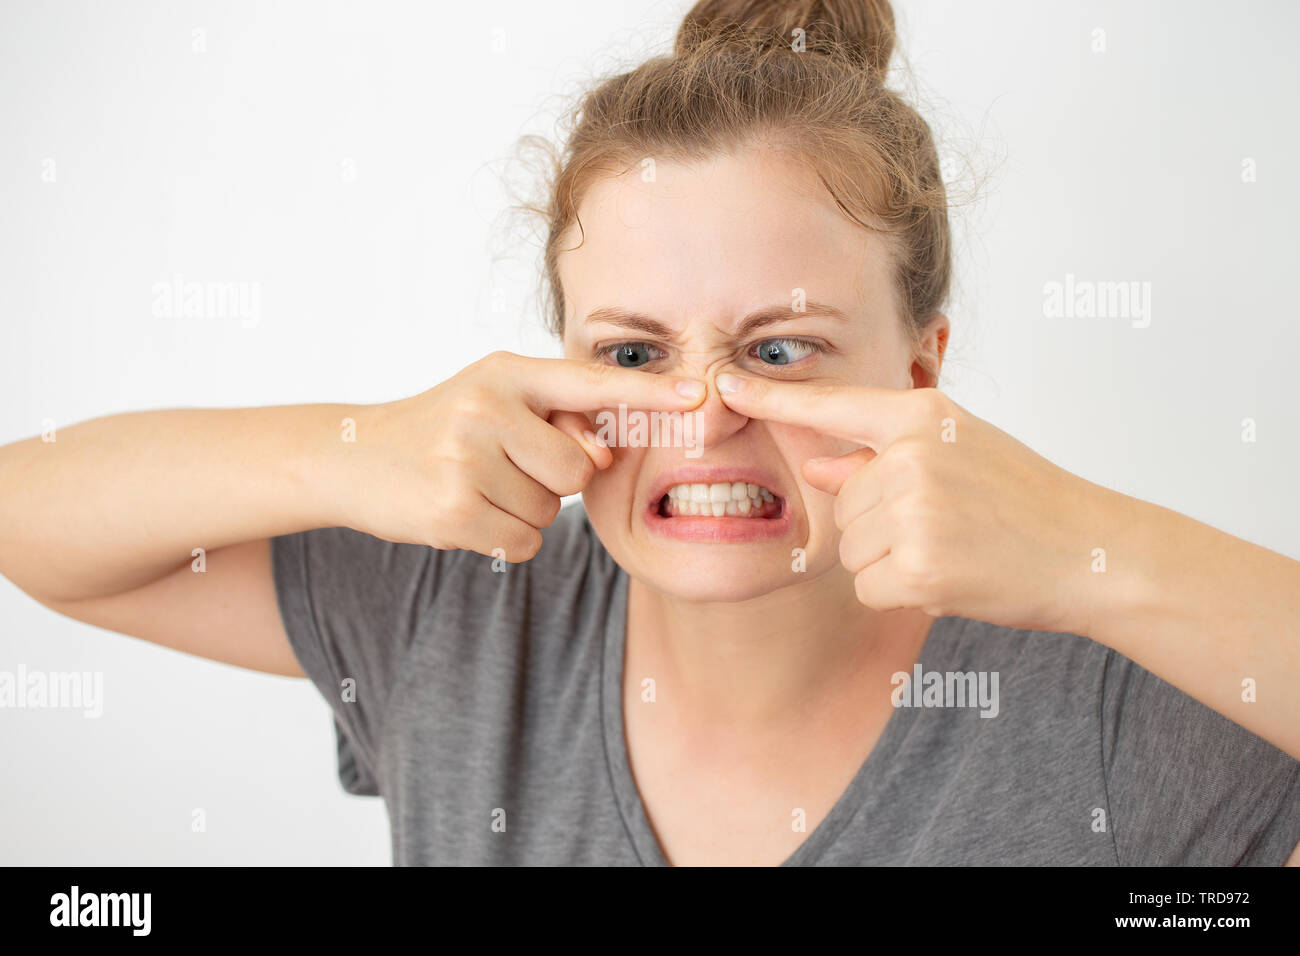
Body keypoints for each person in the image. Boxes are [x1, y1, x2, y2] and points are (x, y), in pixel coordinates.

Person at [2, 0, 1298, 866]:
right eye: (631, 354)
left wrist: (1097, 548)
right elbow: (33, 521)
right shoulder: (453, 619)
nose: (706, 417)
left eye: (779, 350)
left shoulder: (1120, 719)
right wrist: (358, 447)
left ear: (921, 375)